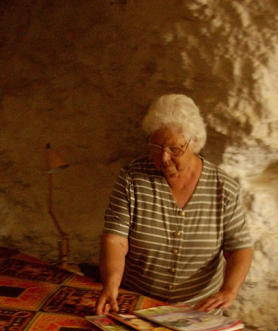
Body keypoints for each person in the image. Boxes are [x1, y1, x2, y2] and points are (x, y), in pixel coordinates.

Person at [95, 94, 253, 316]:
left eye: (175, 149)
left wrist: (229, 290)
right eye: (156, 147)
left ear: (195, 142)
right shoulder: (133, 179)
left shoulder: (223, 188)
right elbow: (115, 239)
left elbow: (239, 248)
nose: (164, 157)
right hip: (137, 305)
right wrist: (111, 285)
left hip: (197, 311)